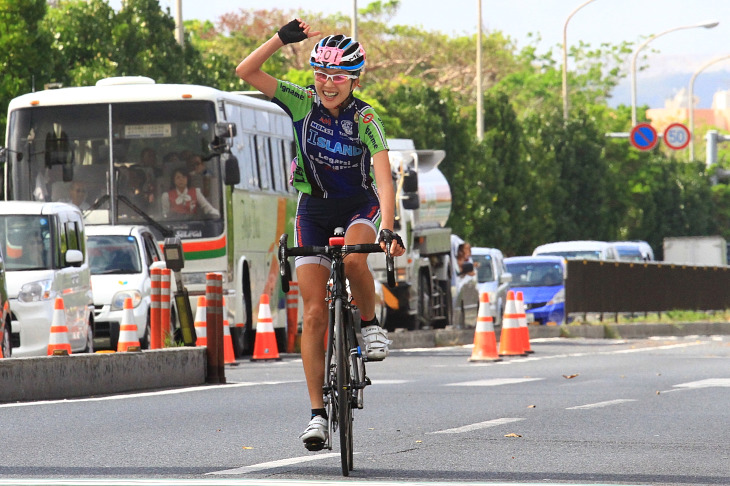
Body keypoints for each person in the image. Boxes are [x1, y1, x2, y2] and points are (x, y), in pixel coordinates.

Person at [236, 19, 406, 451]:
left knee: (352, 258)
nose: (328, 84)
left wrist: (387, 226)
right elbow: (246, 72)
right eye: (321, 74)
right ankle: (316, 415)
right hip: (312, 208)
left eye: (338, 78)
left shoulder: (366, 117)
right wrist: (280, 39)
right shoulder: (300, 102)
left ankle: (368, 324)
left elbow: (384, 179)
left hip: (358, 205)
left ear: (354, 80)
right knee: (313, 313)